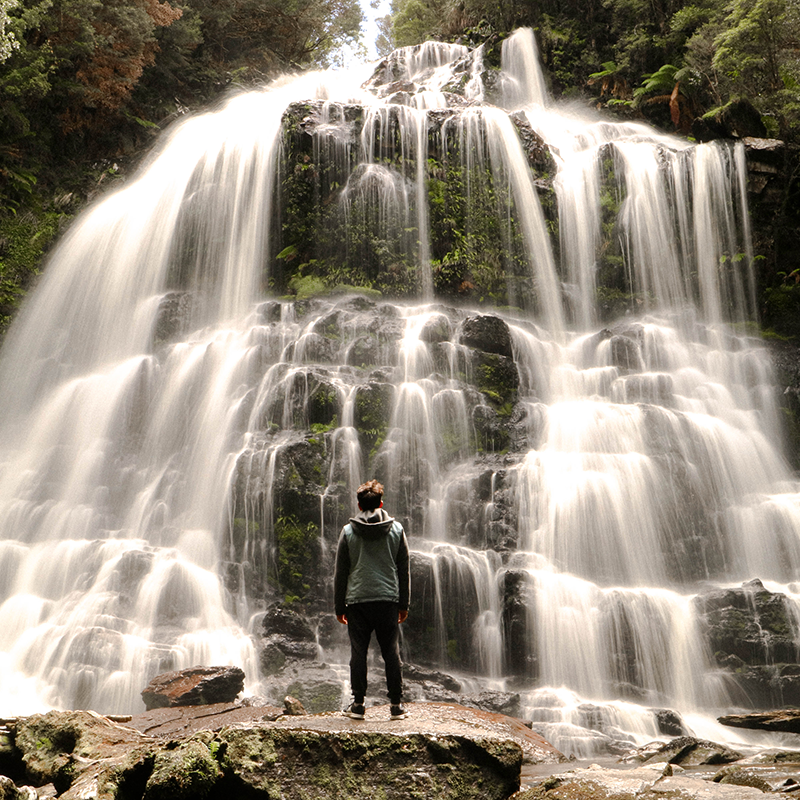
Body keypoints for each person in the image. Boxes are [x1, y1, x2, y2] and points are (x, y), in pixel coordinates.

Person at [334, 479, 410, 720]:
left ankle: (358, 705)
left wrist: (339, 607)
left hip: (357, 602)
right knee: (391, 652)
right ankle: (396, 706)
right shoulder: (397, 530)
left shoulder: (347, 533)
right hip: (387, 600)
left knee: (358, 653)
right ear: (381, 503)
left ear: (358, 506)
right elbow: (404, 570)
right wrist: (403, 604)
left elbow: (341, 573)